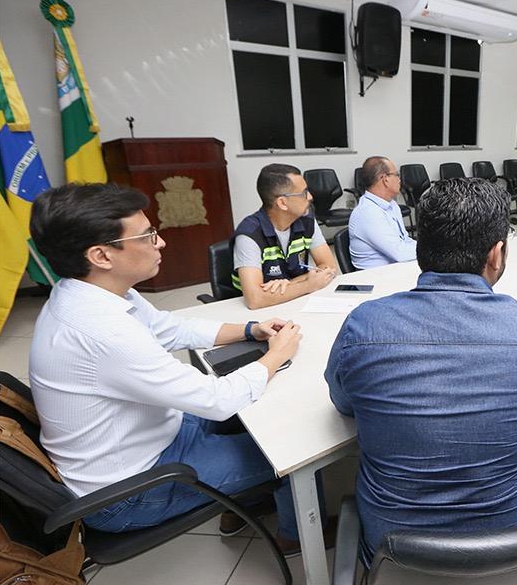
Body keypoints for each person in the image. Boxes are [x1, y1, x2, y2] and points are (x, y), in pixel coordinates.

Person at [28, 183, 322, 555]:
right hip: (130, 489)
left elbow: (171, 328)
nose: (160, 243)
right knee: (291, 448)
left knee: (261, 411)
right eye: (148, 236)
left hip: (153, 433)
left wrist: (250, 329)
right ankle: (297, 537)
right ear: (102, 255)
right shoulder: (99, 329)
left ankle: (242, 506)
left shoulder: (96, 290)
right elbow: (216, 400)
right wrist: (275, 355)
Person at [326, 178, 517, 562]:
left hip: (396, 560)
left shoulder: (363, 327)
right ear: (497, 253)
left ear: (421, 248)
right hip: (511, 555)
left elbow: (343, 403)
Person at [233, 163, 337, 309]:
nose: (310, 197)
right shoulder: (250, 235)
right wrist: (308, 285)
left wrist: (290, 284)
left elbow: (329, 267)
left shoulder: (307, 221)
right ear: (282, 203)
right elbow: (255, 299)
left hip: (293, 303)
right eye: (303, 193)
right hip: (256, 316)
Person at [348, 156, 417, 269]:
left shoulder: (392, 205)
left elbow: (405, 240)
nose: (399, 179)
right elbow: (400, 253)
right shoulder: (367, 213)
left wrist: (430, 247)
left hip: (395, 270)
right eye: (397, 175)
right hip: (376, 280)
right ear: (385, 179)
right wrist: (433, 251)